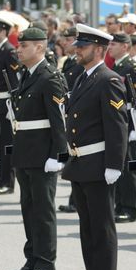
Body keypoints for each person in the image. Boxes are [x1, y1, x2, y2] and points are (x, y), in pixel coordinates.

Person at [62, 24, 128, 270]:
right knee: (87, 227)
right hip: (80, 162)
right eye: (77, 45)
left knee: (101, 227)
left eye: (83, 46)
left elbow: (117, 126)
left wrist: (114, 164)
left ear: (99, 49)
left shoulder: (109, 79)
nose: (77, 50)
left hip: (99, 163)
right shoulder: (83, 77)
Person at [5, 27, 67, 270]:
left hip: (43, 155)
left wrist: (58, 154)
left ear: (40, 47)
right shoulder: (27, 75)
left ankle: (45, 262)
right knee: (28, 208)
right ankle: (32, 257)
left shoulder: (49, 76)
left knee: (42, 211)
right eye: (19, 46)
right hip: (26, 153)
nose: (18, 50)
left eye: (24, 46)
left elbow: (59, 120)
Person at [108, 32, 136, 223]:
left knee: (130, 169)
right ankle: (120, 204)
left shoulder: (132, 67)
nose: (110, 47)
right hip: (119, 121)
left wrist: (134, 128)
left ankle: (130, 208)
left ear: (125, 47)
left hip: (129, 123)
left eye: (114, 44)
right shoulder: (117, 66)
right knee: (120, 166)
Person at [0, 16, 19, 195]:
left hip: (6, 102)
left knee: (7, 144)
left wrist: (13, 107)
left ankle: (7, 181)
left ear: (3, 31)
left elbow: (13, 82)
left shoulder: (9, 51)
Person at [57, 27, 84, 214]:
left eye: (68, 40)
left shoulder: (81, 64)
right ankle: (74, 199)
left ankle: (76, 200)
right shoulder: (68, 62)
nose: (64, 43)